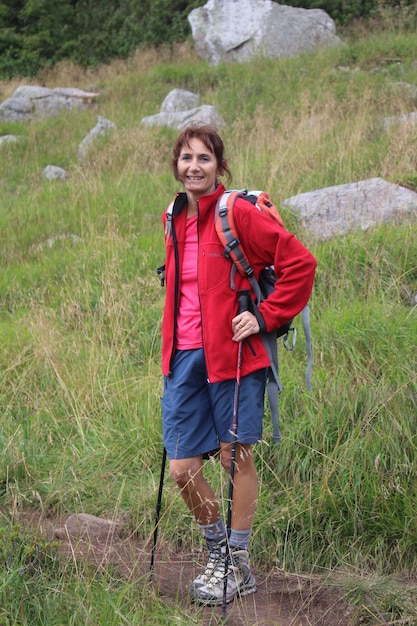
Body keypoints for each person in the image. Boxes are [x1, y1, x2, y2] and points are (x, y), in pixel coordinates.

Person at [160, 123, 316, 606]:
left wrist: (264, 315)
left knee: (234, 458)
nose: (194, 166)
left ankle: (237, 563)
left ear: (219, 166)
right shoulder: (173, 216)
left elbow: (300, 264)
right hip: (183, 359)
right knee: (183, 468)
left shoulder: (237, 214)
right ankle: (219, 549)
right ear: (176, 167)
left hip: (235, 357)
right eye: (186, 158)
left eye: (204, 158)